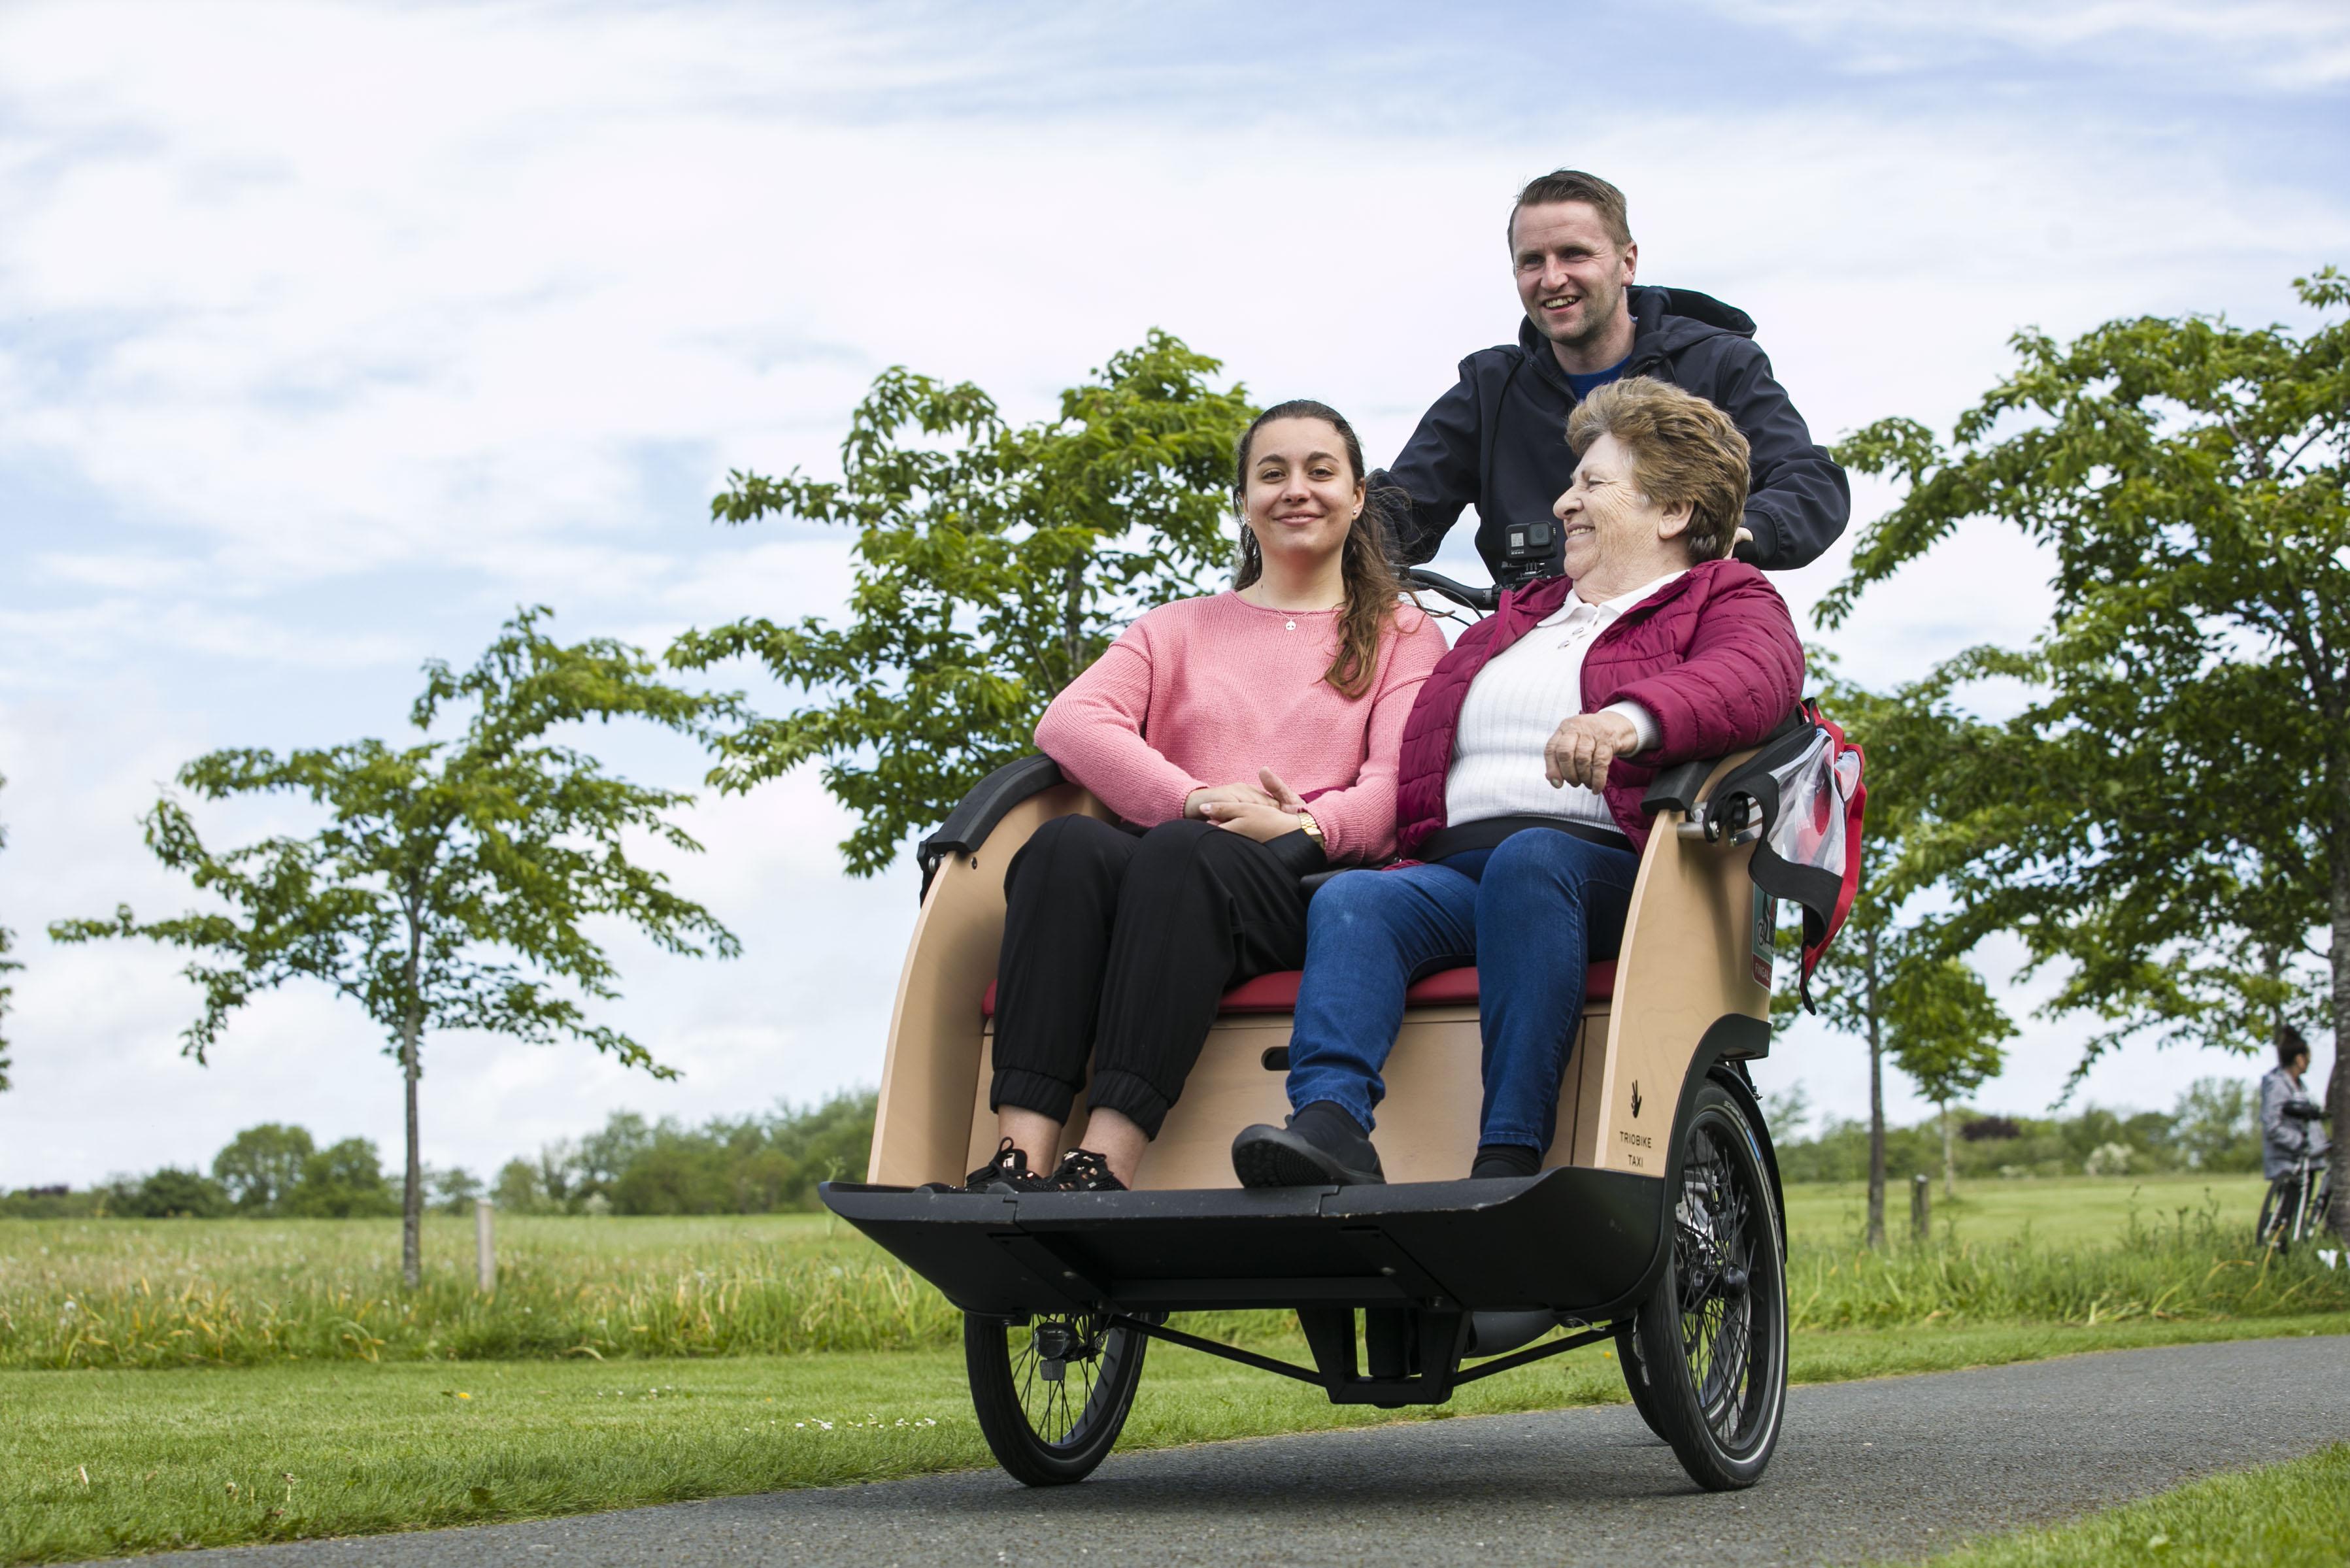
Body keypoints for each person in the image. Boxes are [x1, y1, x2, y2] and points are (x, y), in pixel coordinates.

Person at [1232, 378, 1804, 1188]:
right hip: (1460, 868)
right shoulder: (1519, 616)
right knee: (1356, 900)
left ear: (1672, 512)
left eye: (1592, 484)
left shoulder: (1724, 594)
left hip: (1610, 869)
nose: (1565, 502)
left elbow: (1751, 678)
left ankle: (1508, 1151)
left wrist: (1625, 721)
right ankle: (1330, 1123)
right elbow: (1415, 749)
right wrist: (1317, 806)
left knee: (1532, 862)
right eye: (1571, 483)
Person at [948, 400, 1450, 1195]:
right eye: (1272, 473)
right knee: (1064, 847)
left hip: (1297, 881)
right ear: (1243, 500)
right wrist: (1194, 798)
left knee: (1180, 858)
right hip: (1175, 857)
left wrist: (1303, 823)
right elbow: (1071, 720)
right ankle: (1018, 1156)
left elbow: (1394, 787)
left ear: (1358, 498)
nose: (1297, 489)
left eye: (1321, 471)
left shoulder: (1401, 630)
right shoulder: (1176, 626)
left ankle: (1104, 1160)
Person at [1379, 168, 1849, 576]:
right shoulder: (1489, 389)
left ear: (1627, 263)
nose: (1551, 278)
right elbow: (1398, 515)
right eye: (1531, 261)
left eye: (1574, 254)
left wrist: (1736, 534)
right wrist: (1322, 518)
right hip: (1532, 630)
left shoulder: (1718, 365)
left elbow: (1810, 484)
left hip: (1682, 623)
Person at [2260, 1026, 2331, 1187]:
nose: (2310, 1061)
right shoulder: (2278, 1085)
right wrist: (2302, 1144)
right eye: (2308, 1057)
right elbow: (2272, 1125)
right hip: (2287, 1164)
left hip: (2306, 1162)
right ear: (2299, 1059)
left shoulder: (2298, 1088)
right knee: (2288, 1211)